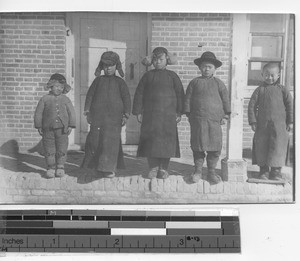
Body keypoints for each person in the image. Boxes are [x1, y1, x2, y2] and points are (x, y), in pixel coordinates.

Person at [132, 47, 184, 179]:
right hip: (150, 116)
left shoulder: (173, 76)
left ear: (167, 60)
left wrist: (179, 112)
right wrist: (138, 111)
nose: (158, 62)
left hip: (168, 116)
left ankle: (163, 169)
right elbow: (139, 94)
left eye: (161, 60)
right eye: (155, 60)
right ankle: (153, 168)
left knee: (167, 144)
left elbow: (180, 95)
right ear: (151, 61)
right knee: (151, 143)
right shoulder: (147, 76)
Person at [81, 51, 131, 178]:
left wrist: (126, 114)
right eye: (105, 65)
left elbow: (126, 99)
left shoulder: (120, 83)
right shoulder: (98, 81)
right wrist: (87, 111)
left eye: (112, 65)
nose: (108, 68)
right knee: (95, 141)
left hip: (114, 119)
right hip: (98, 117)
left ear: (117, 66)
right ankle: (96, 167)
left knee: (111, 143)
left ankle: (109, 169)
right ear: (102, 67)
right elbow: (90, 96)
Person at [184, 51, 231, 184]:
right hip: (198, 120)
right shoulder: (194, 83)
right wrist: (188, 114)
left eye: (209, 67)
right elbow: (188, 99)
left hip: (214, 121)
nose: (206, 69)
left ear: (215, 69)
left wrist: (226, 114)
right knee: (198, 147)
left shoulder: (219, 84)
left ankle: (211, 172)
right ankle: (198, 171)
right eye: (204, 66)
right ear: (200, 68)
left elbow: (225, 100)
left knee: (214, 147)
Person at [248, 62, 293, 181]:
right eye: (267, 75)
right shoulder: (259, 90)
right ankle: (263, 171)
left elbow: (290, 106)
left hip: (279, 126)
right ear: (262, 75)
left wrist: (291, 122)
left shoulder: (283, 90)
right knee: (262, 146)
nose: (270, 77)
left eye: (273, 75)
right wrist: (253, 122)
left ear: (278, 75)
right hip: (262, 126)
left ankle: (276, 172)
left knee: (278, 147)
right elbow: (251, 106)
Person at [34, 73, 76, 178]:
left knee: (62, 148)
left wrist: (71, 125)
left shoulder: (66, 100)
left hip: (62, 130)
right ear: (51, 86)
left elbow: (72, 112)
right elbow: (38, 113)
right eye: (56, 86)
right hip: (48, 129)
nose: (59, 89)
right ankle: (51, 168)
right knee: (49, 148)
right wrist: (39, 126)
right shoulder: (45, 99)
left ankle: (60, 167)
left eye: (61, 87)